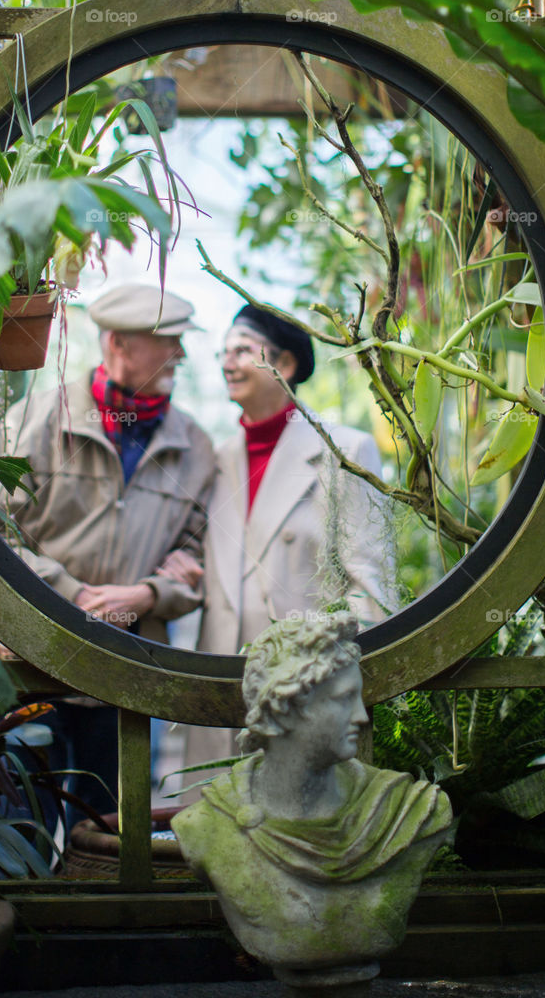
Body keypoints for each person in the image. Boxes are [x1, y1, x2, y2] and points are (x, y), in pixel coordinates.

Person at [0, 282, 216, 817]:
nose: (180, 353)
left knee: (108, 835)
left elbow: (200, 559)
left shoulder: (195, 447)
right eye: (167, 341)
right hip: (28, 656)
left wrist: (147, 594)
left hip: (126, 673)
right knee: (23, 824)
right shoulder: (32, 422)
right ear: (116, 342)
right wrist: (69, 592)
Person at [181, 301, 398, 786]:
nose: (226, 362)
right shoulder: (215, 459)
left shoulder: (344, 450)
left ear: (284, 364)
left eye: (241, 348)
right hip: (220, 689)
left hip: (306, 691)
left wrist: (337, 681)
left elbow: (372, 586)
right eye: (222, 351)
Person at [172, 613, 454, 985]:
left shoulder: (411, 811)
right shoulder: (208, 827)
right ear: (282, 707)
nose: (361, 716)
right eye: (343, 700)